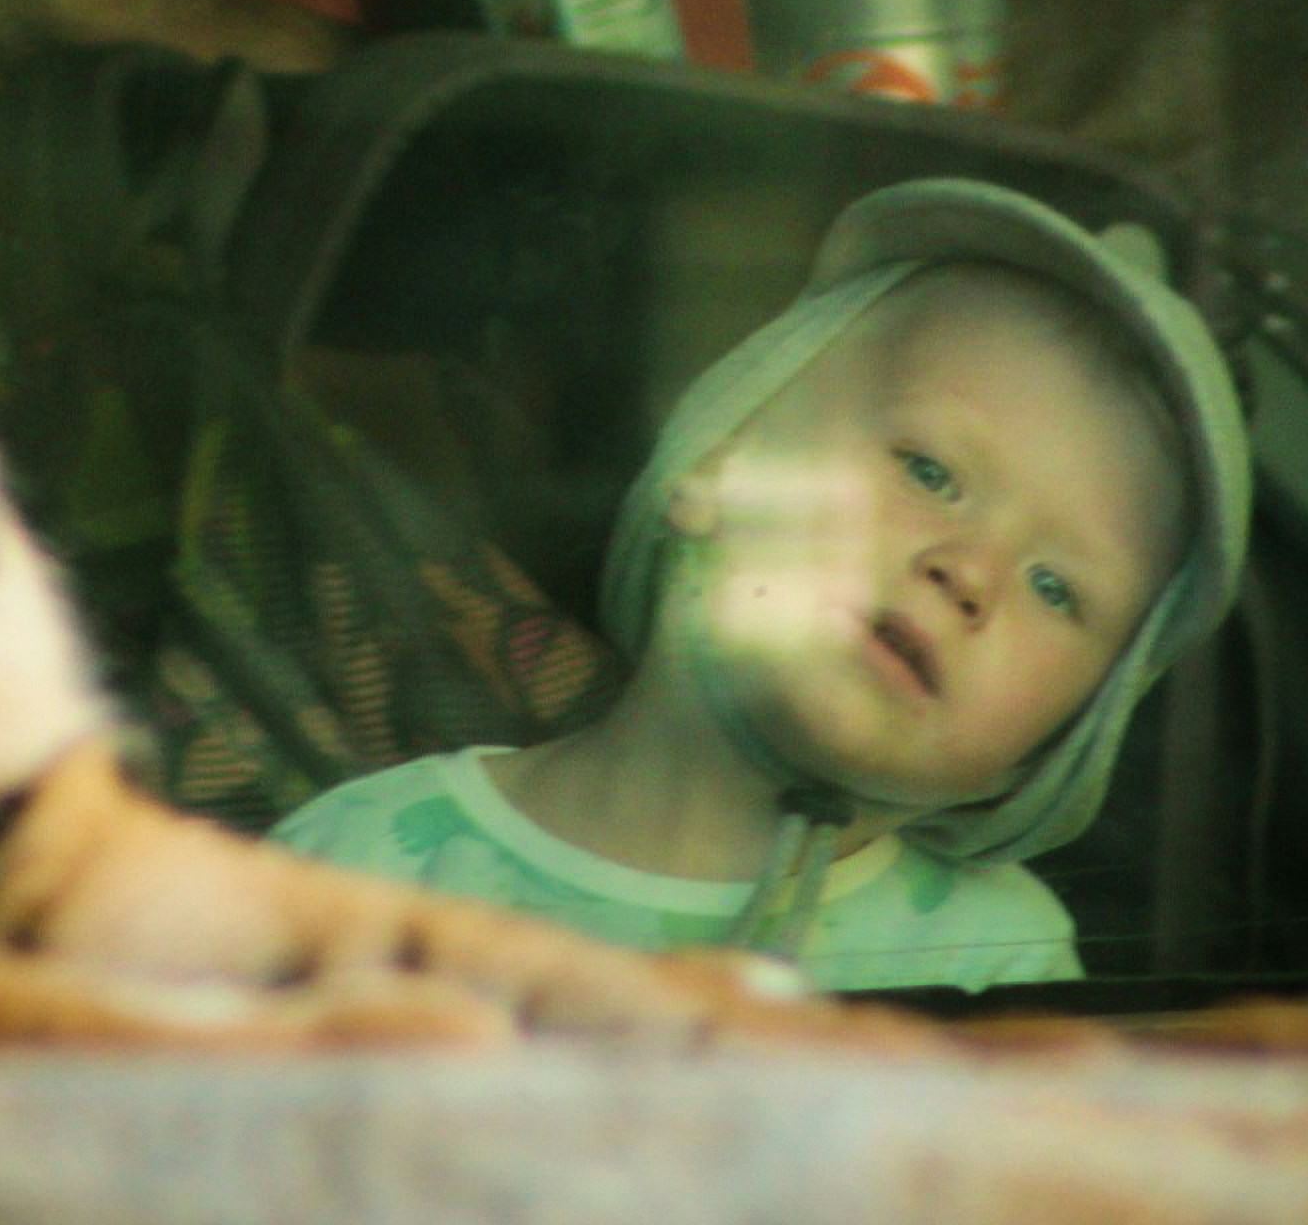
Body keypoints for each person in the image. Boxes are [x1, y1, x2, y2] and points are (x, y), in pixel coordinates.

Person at [269, 177, 1249, 993]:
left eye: (1056, 588)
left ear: (1065, 742)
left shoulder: (997, 967)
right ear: (719, 464)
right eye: (928, 470)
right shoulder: (353, 868)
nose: (971, 573)